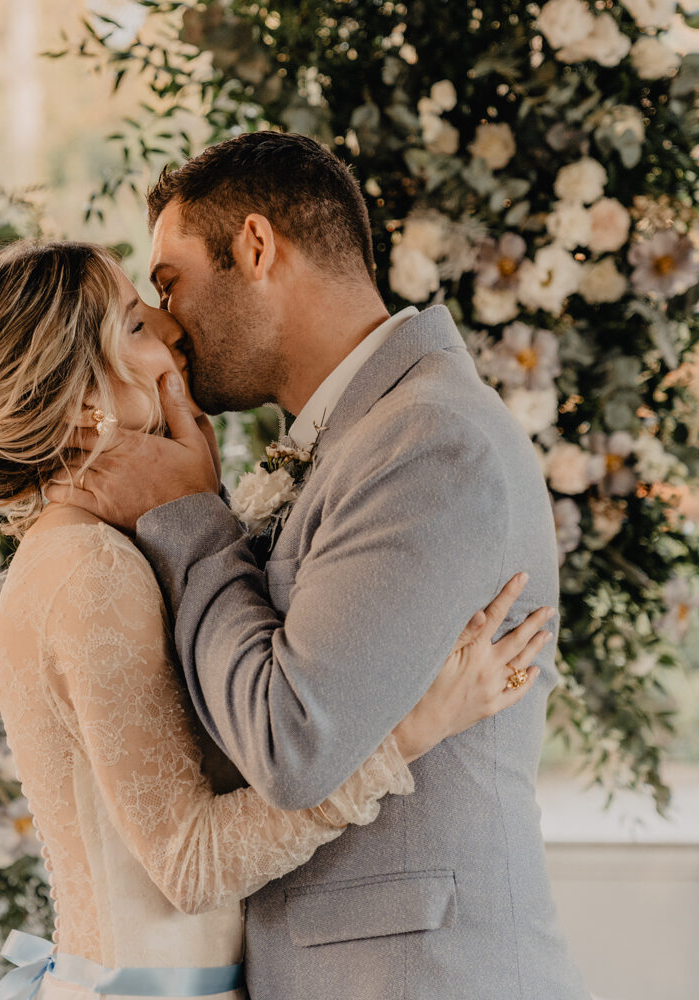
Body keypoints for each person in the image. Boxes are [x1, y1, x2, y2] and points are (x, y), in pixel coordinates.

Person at [0, 239, 553, 1000]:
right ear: (85, 404)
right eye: (136, 324)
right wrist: (413, 729)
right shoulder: (91, 570)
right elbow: (191, 865)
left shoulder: (95, 552)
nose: (170, 328)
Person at [48, 133, 590, 1000]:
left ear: (257, 249)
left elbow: (290, 742)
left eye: (169, 282)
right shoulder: (350, 439)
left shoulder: (430, 441)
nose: (169, 322)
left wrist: (187, 517)